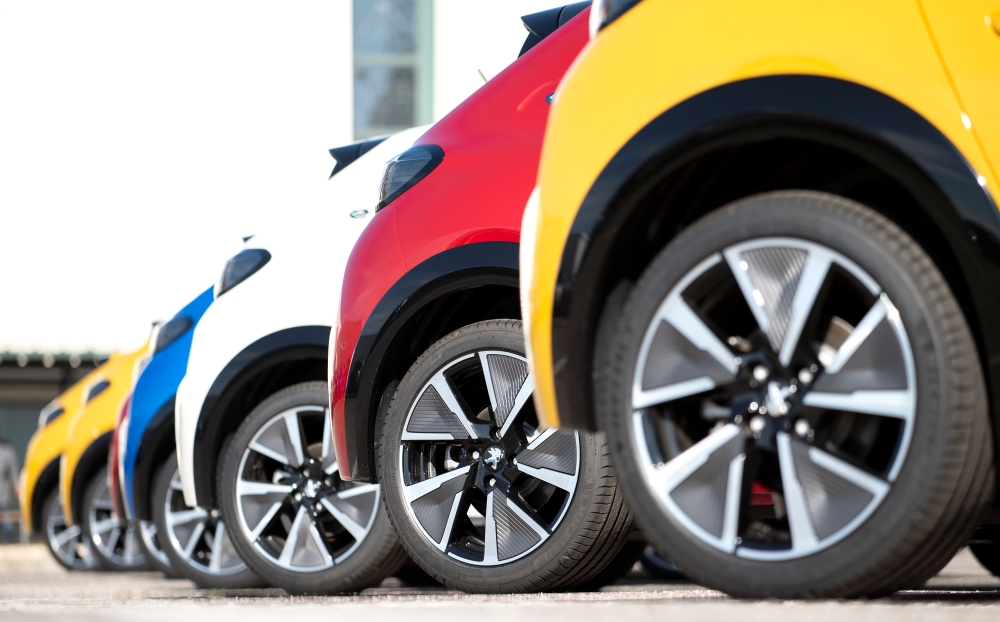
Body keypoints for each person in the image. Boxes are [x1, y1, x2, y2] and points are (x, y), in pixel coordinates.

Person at [0, 424, 18, 543]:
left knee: (6, 521)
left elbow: (14, 472)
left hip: (3, 495)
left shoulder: (6, 449)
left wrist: (17, 487)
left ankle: (9, 543)